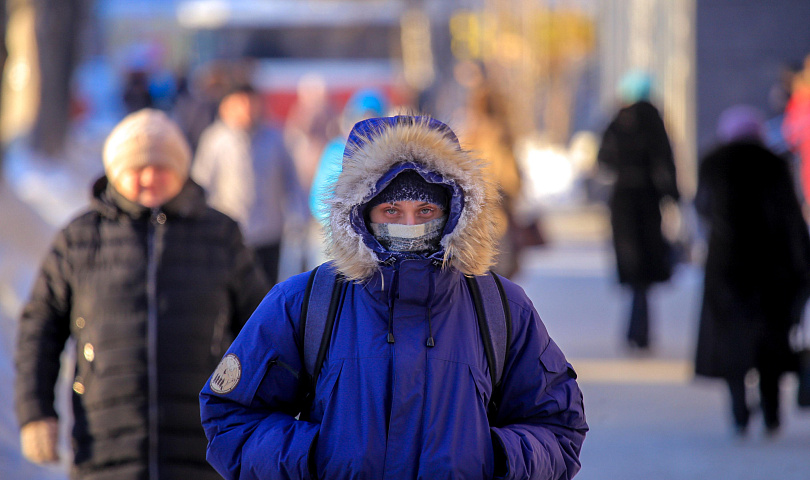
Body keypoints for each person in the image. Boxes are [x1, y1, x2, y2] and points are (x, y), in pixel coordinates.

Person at [200, 115, 588, 480]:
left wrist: (495, 455)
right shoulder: (304, 302)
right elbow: (231, 417)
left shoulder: (500, 306)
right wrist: (316, 455)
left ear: (454, 210)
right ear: (360, 213)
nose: (410, 226)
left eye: (425, 210)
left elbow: (558, 426)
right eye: (390, 210)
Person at [14, 109, 269, 479]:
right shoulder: (80, 239)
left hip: (203, 445)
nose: (149, 177)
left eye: (162, 167)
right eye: (136, 168)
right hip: (105, 445)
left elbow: (261, 331)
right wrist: (36, 412)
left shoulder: (220, 235)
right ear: (115, 173)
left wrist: (268, 417)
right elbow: (39, 327)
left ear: (182, 171)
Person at [694, 105, 810, 437]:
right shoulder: (775, 165)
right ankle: (772, 414)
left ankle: (739, 412)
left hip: (727, 268)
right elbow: (791, 218)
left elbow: (702, 208)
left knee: (733, 341)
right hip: (772, 271)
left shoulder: (714, 162)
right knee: (770, 342)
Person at [192, 84, 308, 286]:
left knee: (266, 291)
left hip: (269, 232)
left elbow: (292, 181)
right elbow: (201, 185)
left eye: (250, 103)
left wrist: (299, 216)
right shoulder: (215, 141)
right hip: (226, 233)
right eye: (239, 103)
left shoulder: (275, 138)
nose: (246, 109)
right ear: (226, 107)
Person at [597, 70, 680, 350]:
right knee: (645, 267)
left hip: (622, 201)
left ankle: (635, 329)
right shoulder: (654, 120)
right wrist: (673, 196)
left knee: (632, 265)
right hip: (647, 200)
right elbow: (666, 161)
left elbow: (603, 159)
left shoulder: (617, 120)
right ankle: (641, 329)